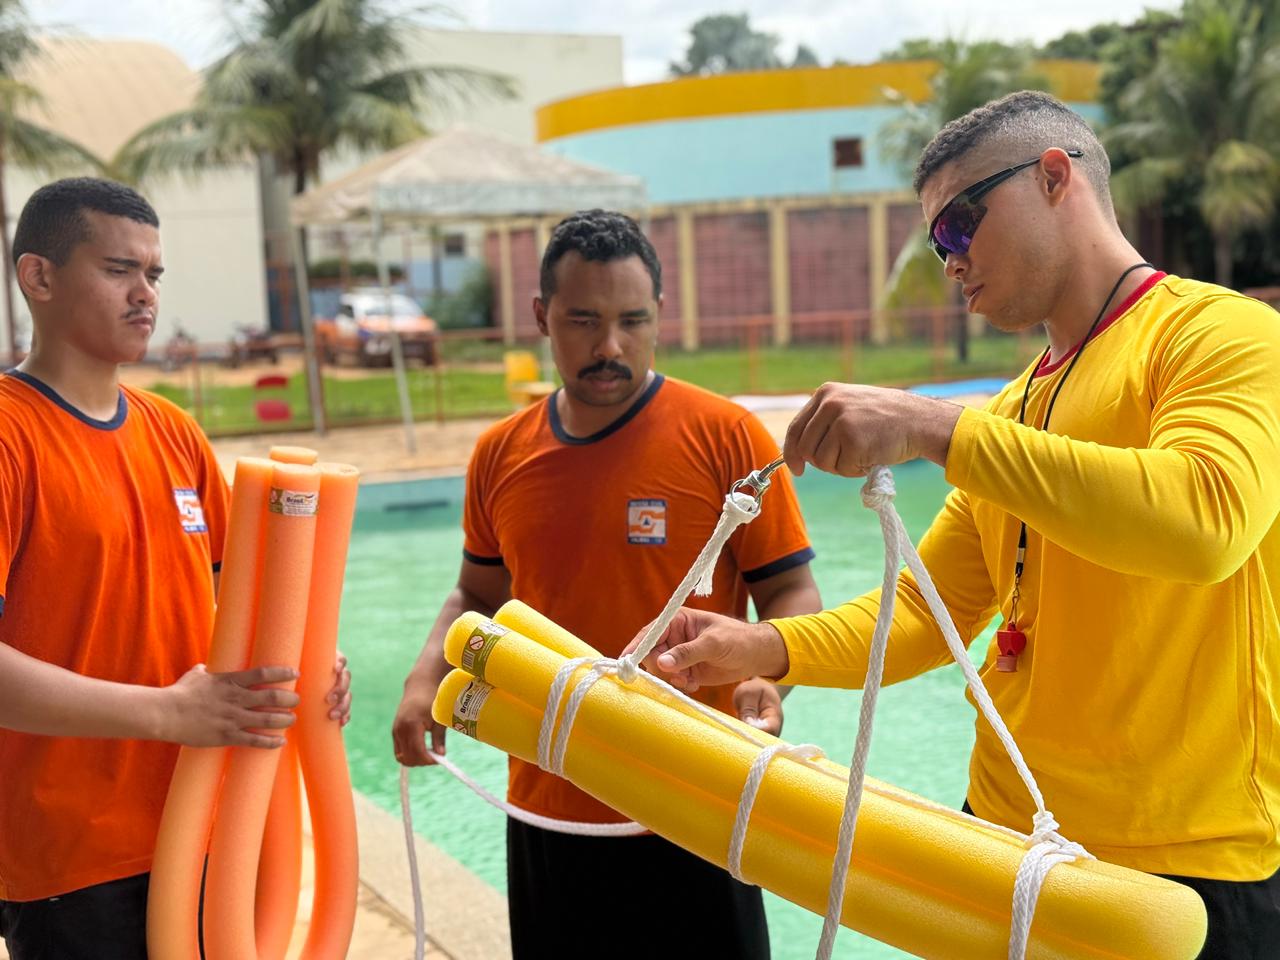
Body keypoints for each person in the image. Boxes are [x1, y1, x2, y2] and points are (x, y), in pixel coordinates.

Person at [635, 91, 1280, 959]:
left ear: (1056, 178)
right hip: (1011, 838)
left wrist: (934, 426)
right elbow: (921, 614)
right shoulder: (1018, 407)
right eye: (938, 241)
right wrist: (760, 648)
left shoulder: (1222, 335)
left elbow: (1205, 521)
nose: (949, 260)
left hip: (1188, 867)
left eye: (960, 225)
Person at [392, 209, 822, 959]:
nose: (610, 346)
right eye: (584, 320)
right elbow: (476, 596)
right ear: (541, 317)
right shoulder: (500, 454)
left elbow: (790, 591)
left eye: (633, 320)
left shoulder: (727, 438)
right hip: (548, 801)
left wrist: (767, 672)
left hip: (697, 799)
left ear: (661, 315)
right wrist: (426, 673)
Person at [0, 178, 352, 960]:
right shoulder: (10, 438)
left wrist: (310, 663)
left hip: (208, 832)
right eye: (120, 269)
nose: (144, 294)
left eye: (154, 275)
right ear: (40, 278)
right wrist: (167, 712)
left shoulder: (175, 433)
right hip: (75, 862)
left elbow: (245, 605)